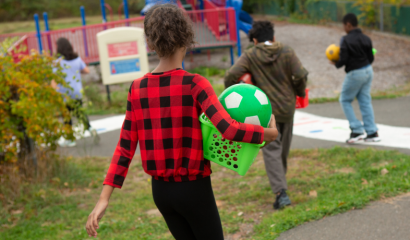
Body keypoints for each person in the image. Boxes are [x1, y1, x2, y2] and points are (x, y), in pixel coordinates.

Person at [85, 4, 278, 240]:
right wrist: (268, 134)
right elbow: (227, 129)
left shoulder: (137, 89)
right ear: (187, 38)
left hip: (161, 193)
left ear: (150, 44)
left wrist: (104, 198)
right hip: (193, 189)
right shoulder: (196, 84)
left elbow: (125, 148)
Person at [224, 21, 308, 210]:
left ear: (254, 40)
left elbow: (230, 75)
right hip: (287, 107)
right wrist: (299, 92)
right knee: (283, 148)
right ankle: (281, 184)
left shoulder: (251, 55)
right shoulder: (287, 51)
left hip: (265, 111)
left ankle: (281, 192)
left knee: (271, 150)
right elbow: (300, 75)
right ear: (273, 37)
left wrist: (234, 99)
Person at [330, 13, 380, 143]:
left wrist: (336, 63)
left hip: (355, 73)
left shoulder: (345, 40)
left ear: (348, 24)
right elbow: (371, 57)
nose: (344, 28)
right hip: (368, 70)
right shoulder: (366, 38)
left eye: (344, 25)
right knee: (365, 101)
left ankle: (356, 130)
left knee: (345, 100)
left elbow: (344, 59)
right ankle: (372, 132)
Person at [52, 37, 98, 147]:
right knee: (79, 113)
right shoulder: (77, 59)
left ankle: (70, 140)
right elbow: (86, 70)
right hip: (77, 92)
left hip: (64, 93)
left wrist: (54, 91)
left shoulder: (57, 62)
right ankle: (90, 128)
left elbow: (53, 79)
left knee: (67, 117)